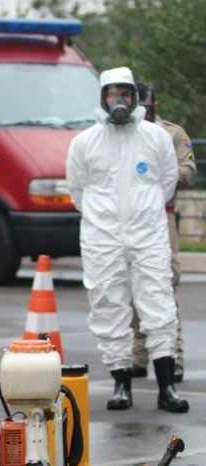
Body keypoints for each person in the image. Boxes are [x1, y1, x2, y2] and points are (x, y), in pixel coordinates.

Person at [66, 67, 188, 413]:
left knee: (158, 303)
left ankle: (167, 387)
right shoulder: (84, 142)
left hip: (148, 235)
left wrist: (141, 215)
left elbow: (167, 183)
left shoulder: (156, 137)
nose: (118, 100)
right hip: (102, 238)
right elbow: (77, 189)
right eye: (112, 94)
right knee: (108, 306)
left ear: (135, 96)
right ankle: (122, 386)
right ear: (102, 97)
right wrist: (103, 220)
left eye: (125, 93)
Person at [129, 82, 197, 383]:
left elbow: (189, 172)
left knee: (164, 285)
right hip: (128, 217)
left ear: (154, 106)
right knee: (131, 286)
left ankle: (174, 356)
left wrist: (160, 172)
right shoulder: (121, 134)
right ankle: (138, 357)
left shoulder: (172, 134)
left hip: (161, 214)